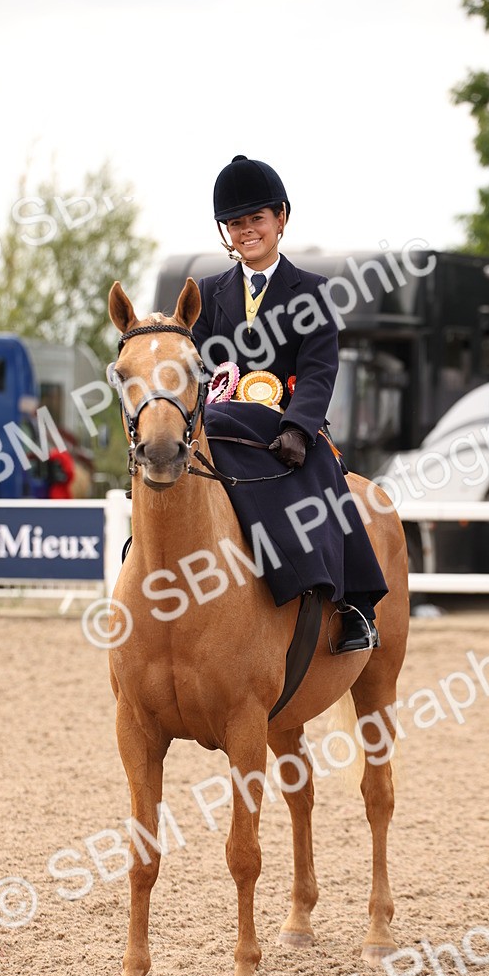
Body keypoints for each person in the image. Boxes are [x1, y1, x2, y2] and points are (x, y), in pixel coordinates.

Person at [193, 154, 386, 653]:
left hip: (284, 427)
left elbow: (321, 370)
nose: (246, 231)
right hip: (221, 421)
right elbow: (196, 364)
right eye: (236, 223)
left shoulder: (314, 293)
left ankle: (355, 606)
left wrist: (300, 428)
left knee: (327, 479)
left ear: (280, 219)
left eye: (256, 219)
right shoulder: (209, 294)